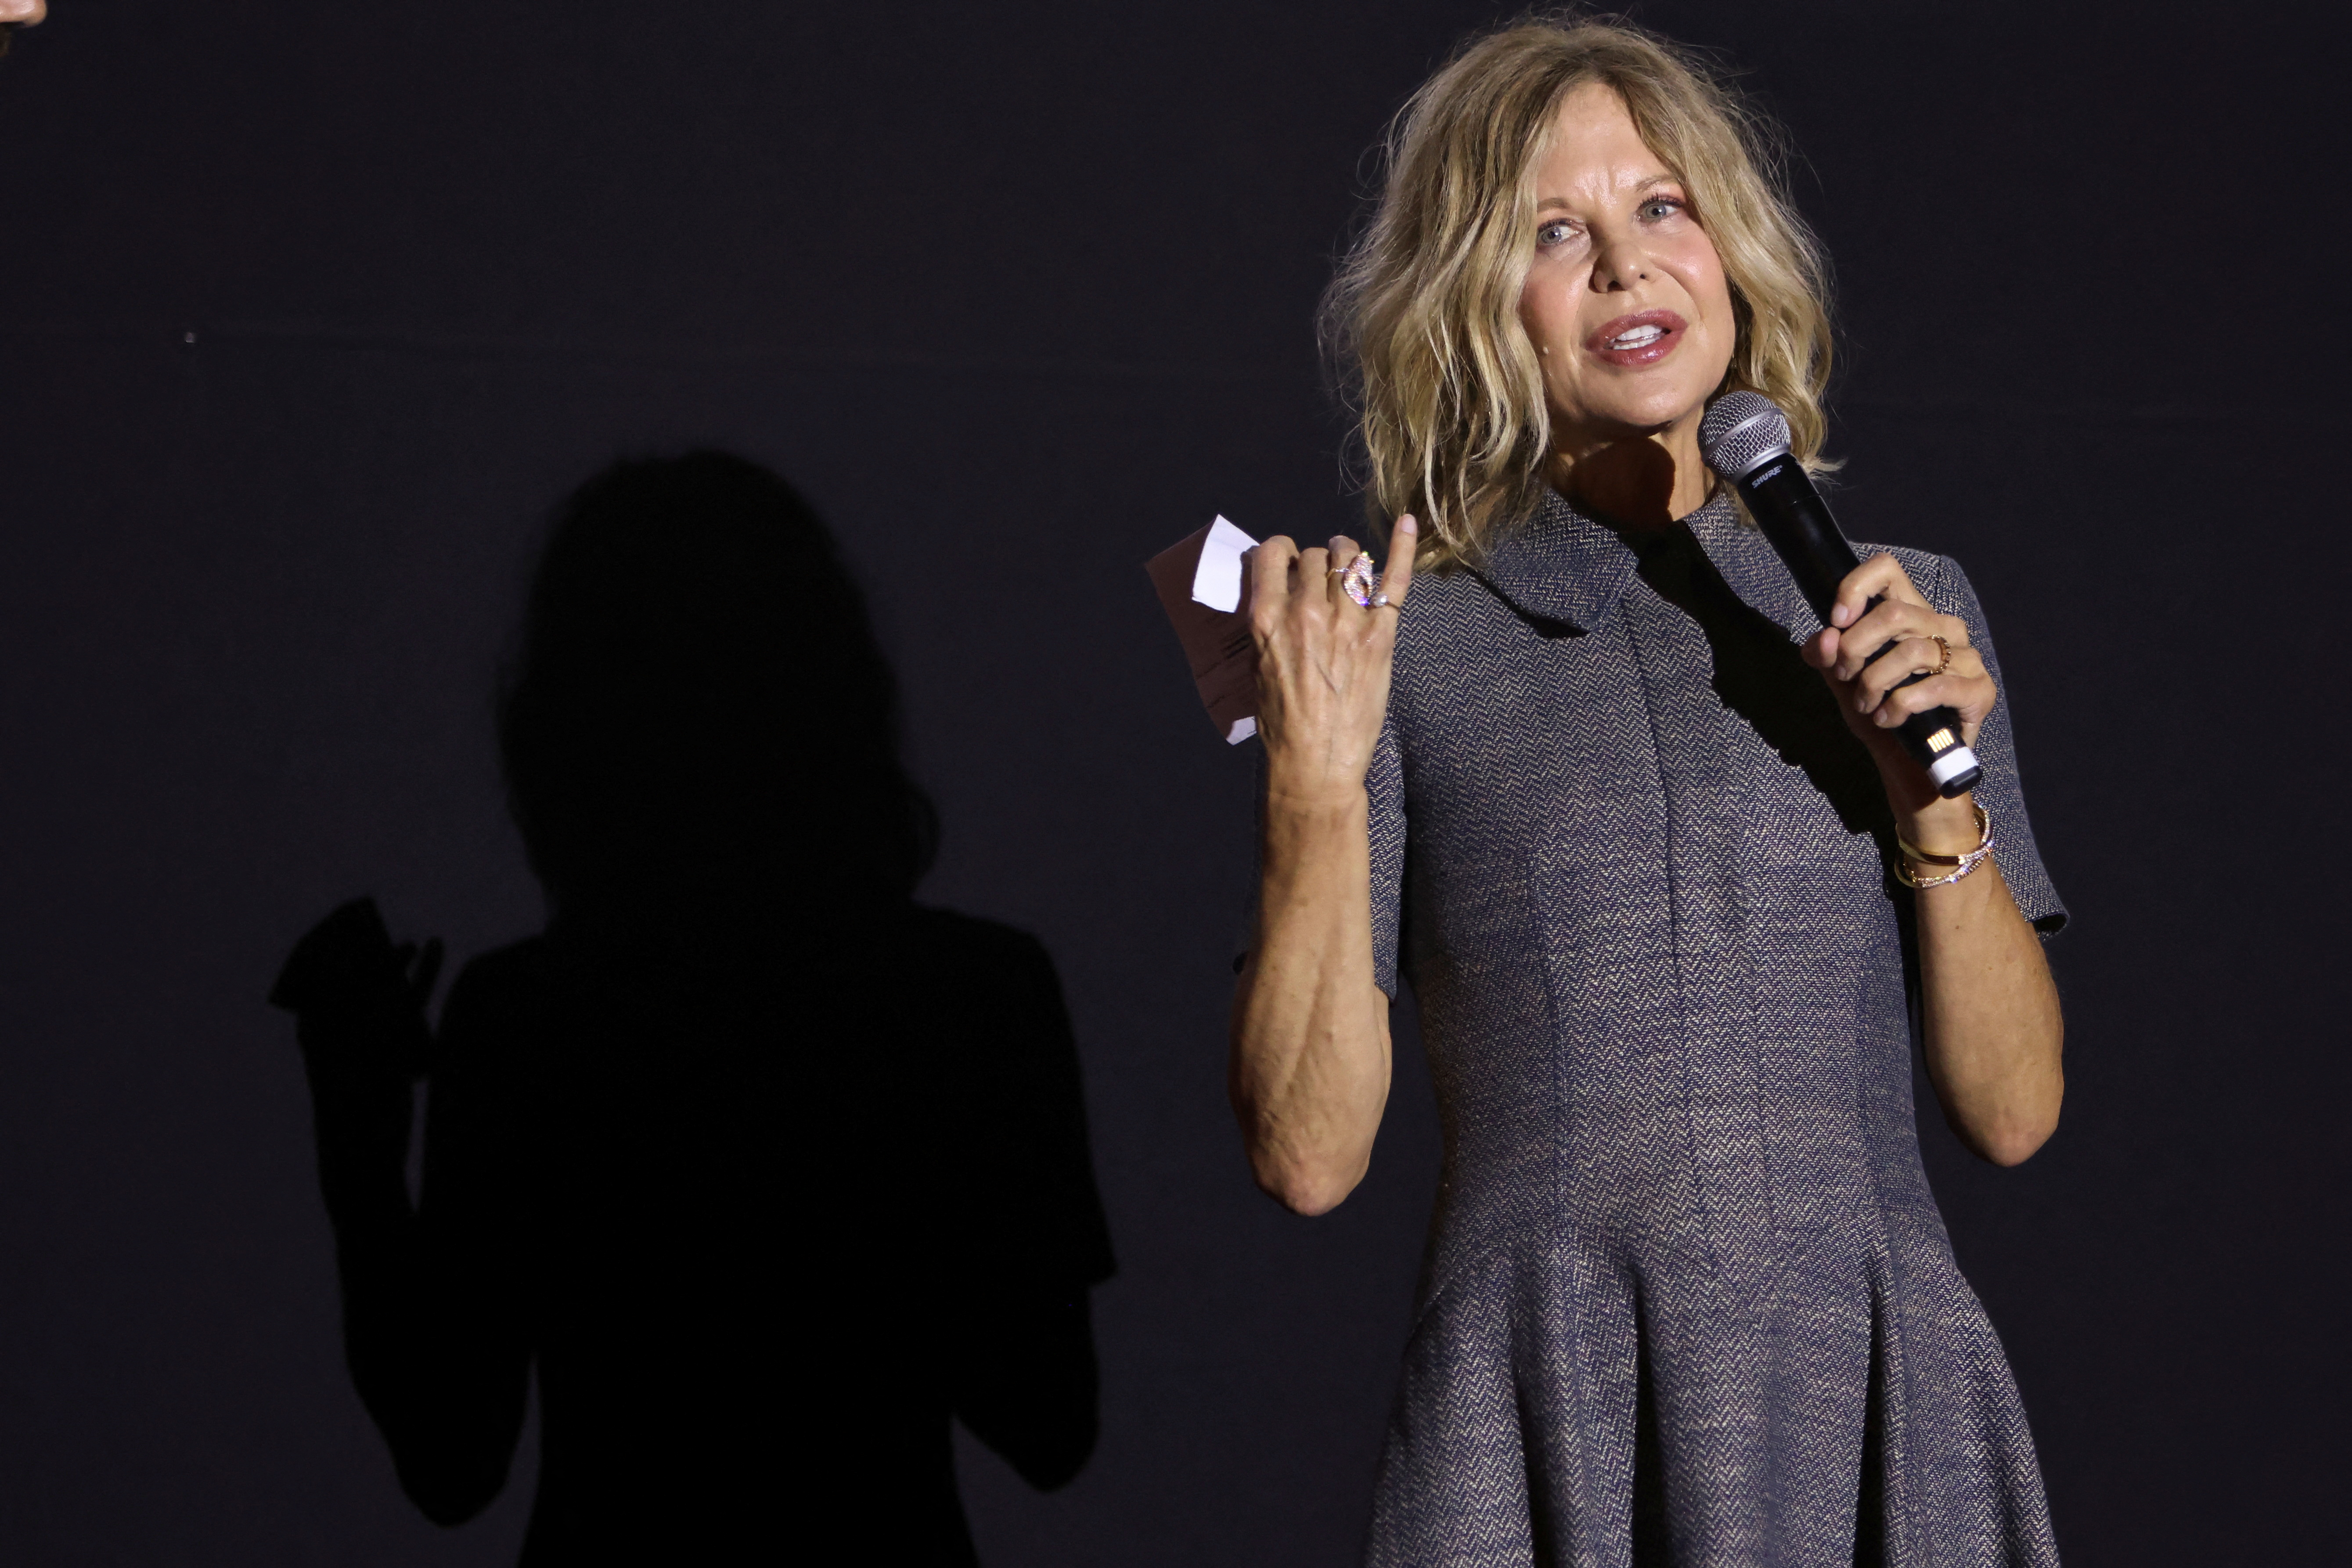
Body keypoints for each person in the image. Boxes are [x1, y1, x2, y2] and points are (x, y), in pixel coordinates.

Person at [1231, 19, 2065, 1565]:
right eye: (1556, 232)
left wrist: (1927, 805)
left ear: (1728, 253)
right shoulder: (1397, 646)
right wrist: (1312, 785)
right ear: (1478, 301)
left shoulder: (1900, 610)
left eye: (1659, 208)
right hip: (1548, 1413)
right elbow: (1305, 1154)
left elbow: (2012, 1114)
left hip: (1876, 1398)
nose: (1625, 267)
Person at [273, 453, 1114, 1564]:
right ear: (835, 703)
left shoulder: (527, 1020)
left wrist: (360, 1140)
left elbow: (450, 1461)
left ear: (572, 736)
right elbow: (1049, 1426)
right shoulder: (974, 994)